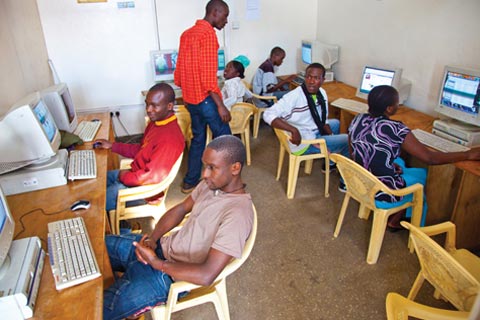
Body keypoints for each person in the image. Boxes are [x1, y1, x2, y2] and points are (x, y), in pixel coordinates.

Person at [103, 135, 254, 320]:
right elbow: (181, 208)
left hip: (168, 277)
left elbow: (207, 275)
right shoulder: (210, 185)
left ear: (235, 168)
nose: (204, 174)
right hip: (159, 249)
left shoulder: (238, 215)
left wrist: (156, 263)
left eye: (212, 168)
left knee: (97, 309)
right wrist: (153, 238)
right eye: (205, 166)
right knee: (93, 249)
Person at [348, 85, 480, 229]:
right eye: (397, 103)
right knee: (422, 175)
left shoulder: (358, 119)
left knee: (401, 163)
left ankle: (396, 217)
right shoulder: (396, 128)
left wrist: (387, 165)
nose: (398, 105)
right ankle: (410, 226)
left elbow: (355, 151)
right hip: (382, 192)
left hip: (360, 182)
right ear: (389, 109)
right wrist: (468, 154)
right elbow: (430, 158)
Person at [95, 83, 184, 212]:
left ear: (169, 106)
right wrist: (112, 146)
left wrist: (123, 176)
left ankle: (121, 229)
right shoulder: (156, 123)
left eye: (155, 105)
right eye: (147, 104)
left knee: (96, 205)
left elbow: (151, 177)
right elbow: (142, 150)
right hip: (135, 176)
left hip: (146, 191)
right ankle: (122, 227)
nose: (148, 109)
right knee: (97, 181)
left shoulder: (169, 139)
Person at [174, 0, 232, 194]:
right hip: (206, 100)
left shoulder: (186, 34)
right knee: (225, 141)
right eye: (225, 17)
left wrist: (190, 91)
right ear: (215, 13)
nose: (225, 22)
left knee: (198, 138)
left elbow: (178, 76)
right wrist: (221, 106)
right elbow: (209, 79)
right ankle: (223, 183)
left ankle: (190, 181)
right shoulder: (208, 35)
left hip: (190, 100)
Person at [263, 62, 350, 189]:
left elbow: (322, 119)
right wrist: (294, 130)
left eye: (316, 78)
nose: (311, 81)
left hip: (310, 130)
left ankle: (329, 163)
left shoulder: (322, 94)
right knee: (348, 140)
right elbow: (268, 114)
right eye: (308, 77)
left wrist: (330, 136)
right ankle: (345, 182)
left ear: (323, 80)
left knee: (336, 123)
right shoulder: (294, 96)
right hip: (301, 141)